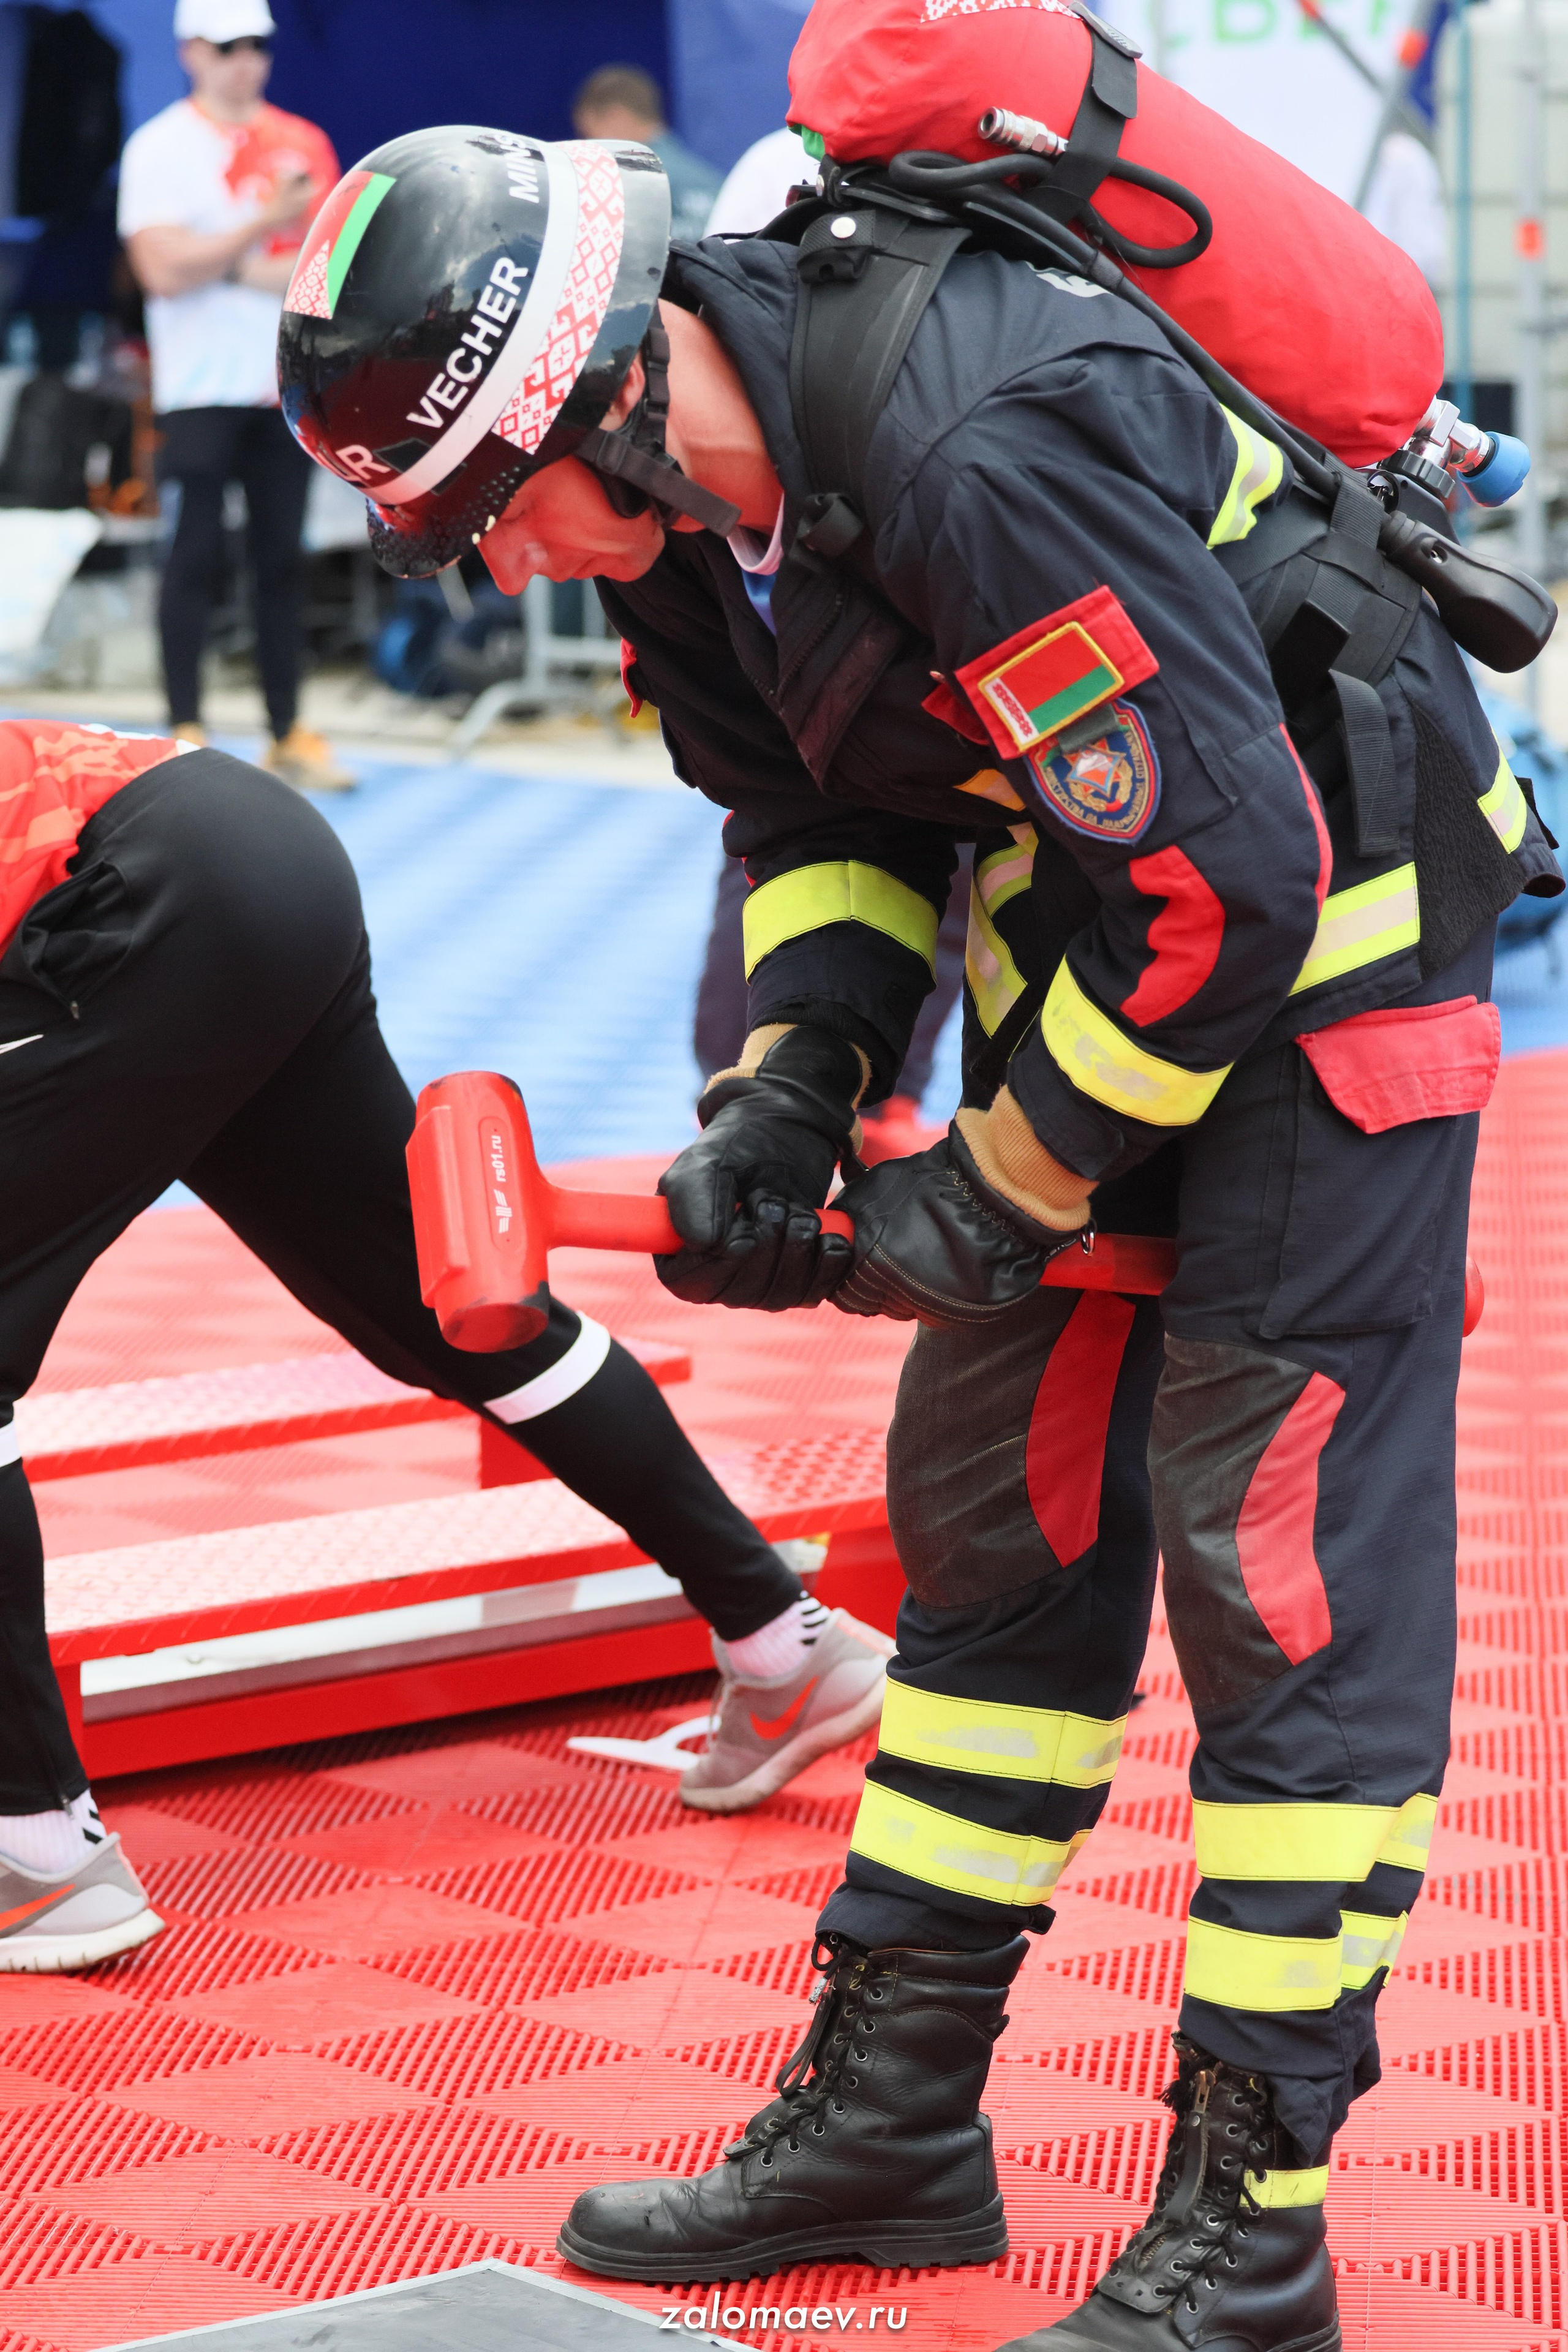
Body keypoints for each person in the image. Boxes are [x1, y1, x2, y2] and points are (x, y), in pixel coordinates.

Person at [277, 126, 1559, 2350]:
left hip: (1327, 937)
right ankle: (893, 2122)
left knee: (1270, 1575)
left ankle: (1246, 2229)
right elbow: (810, 811)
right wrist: (792, 1079)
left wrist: (1002, 1184)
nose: (486, 588)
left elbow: (1232, 886)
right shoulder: (693, 527)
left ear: (596, 408)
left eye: (482, 523)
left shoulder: (963, 443)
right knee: (996, 1518)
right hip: (1120, 924)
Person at [0, 718, 892, 1972]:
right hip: (244, 841)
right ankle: (778, 1636)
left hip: (134, 897)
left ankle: (36, 1846)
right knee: (438, 1300)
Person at [118, 0, 352, 790]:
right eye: (226, 47)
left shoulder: (303, 141)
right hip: (197, 387)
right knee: (194, 555)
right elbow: (158, 269)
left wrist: (218, 257)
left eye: (257, 44)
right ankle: (183, 729)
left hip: (281, 385)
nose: (244, 61)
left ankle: (286, 727)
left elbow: (329, 267)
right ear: (190, 51)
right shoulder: (161, 148)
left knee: (282, 561)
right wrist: (261, 224)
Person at [572, 65, 720, 242]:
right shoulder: (715, 181)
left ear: (616, 117)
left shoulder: (620, 182)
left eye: (590, 134)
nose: (592, 146)